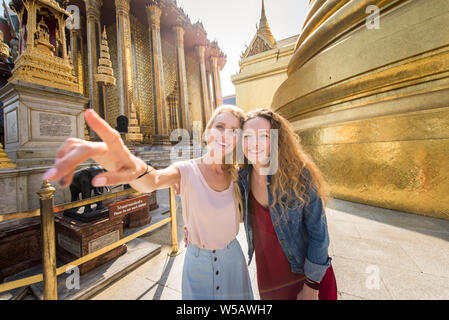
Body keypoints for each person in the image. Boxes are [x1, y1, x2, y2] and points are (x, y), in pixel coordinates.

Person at [42, 105, 253, 300]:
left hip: (233, 261)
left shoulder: (238, 175)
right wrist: (134, 168)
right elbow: (155, 180)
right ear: (208, 132)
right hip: (199, 265)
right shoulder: (187, 170)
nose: (226, 135)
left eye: (234, 131)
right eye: (220, 126)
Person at [239, 108, 337, 300]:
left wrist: (311, 286)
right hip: (269, 278)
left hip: (307, 277)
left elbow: (320, 235)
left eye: (264, 136)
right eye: (247, 136)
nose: (254, 143)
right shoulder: (242, 177)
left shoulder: (299, 176)